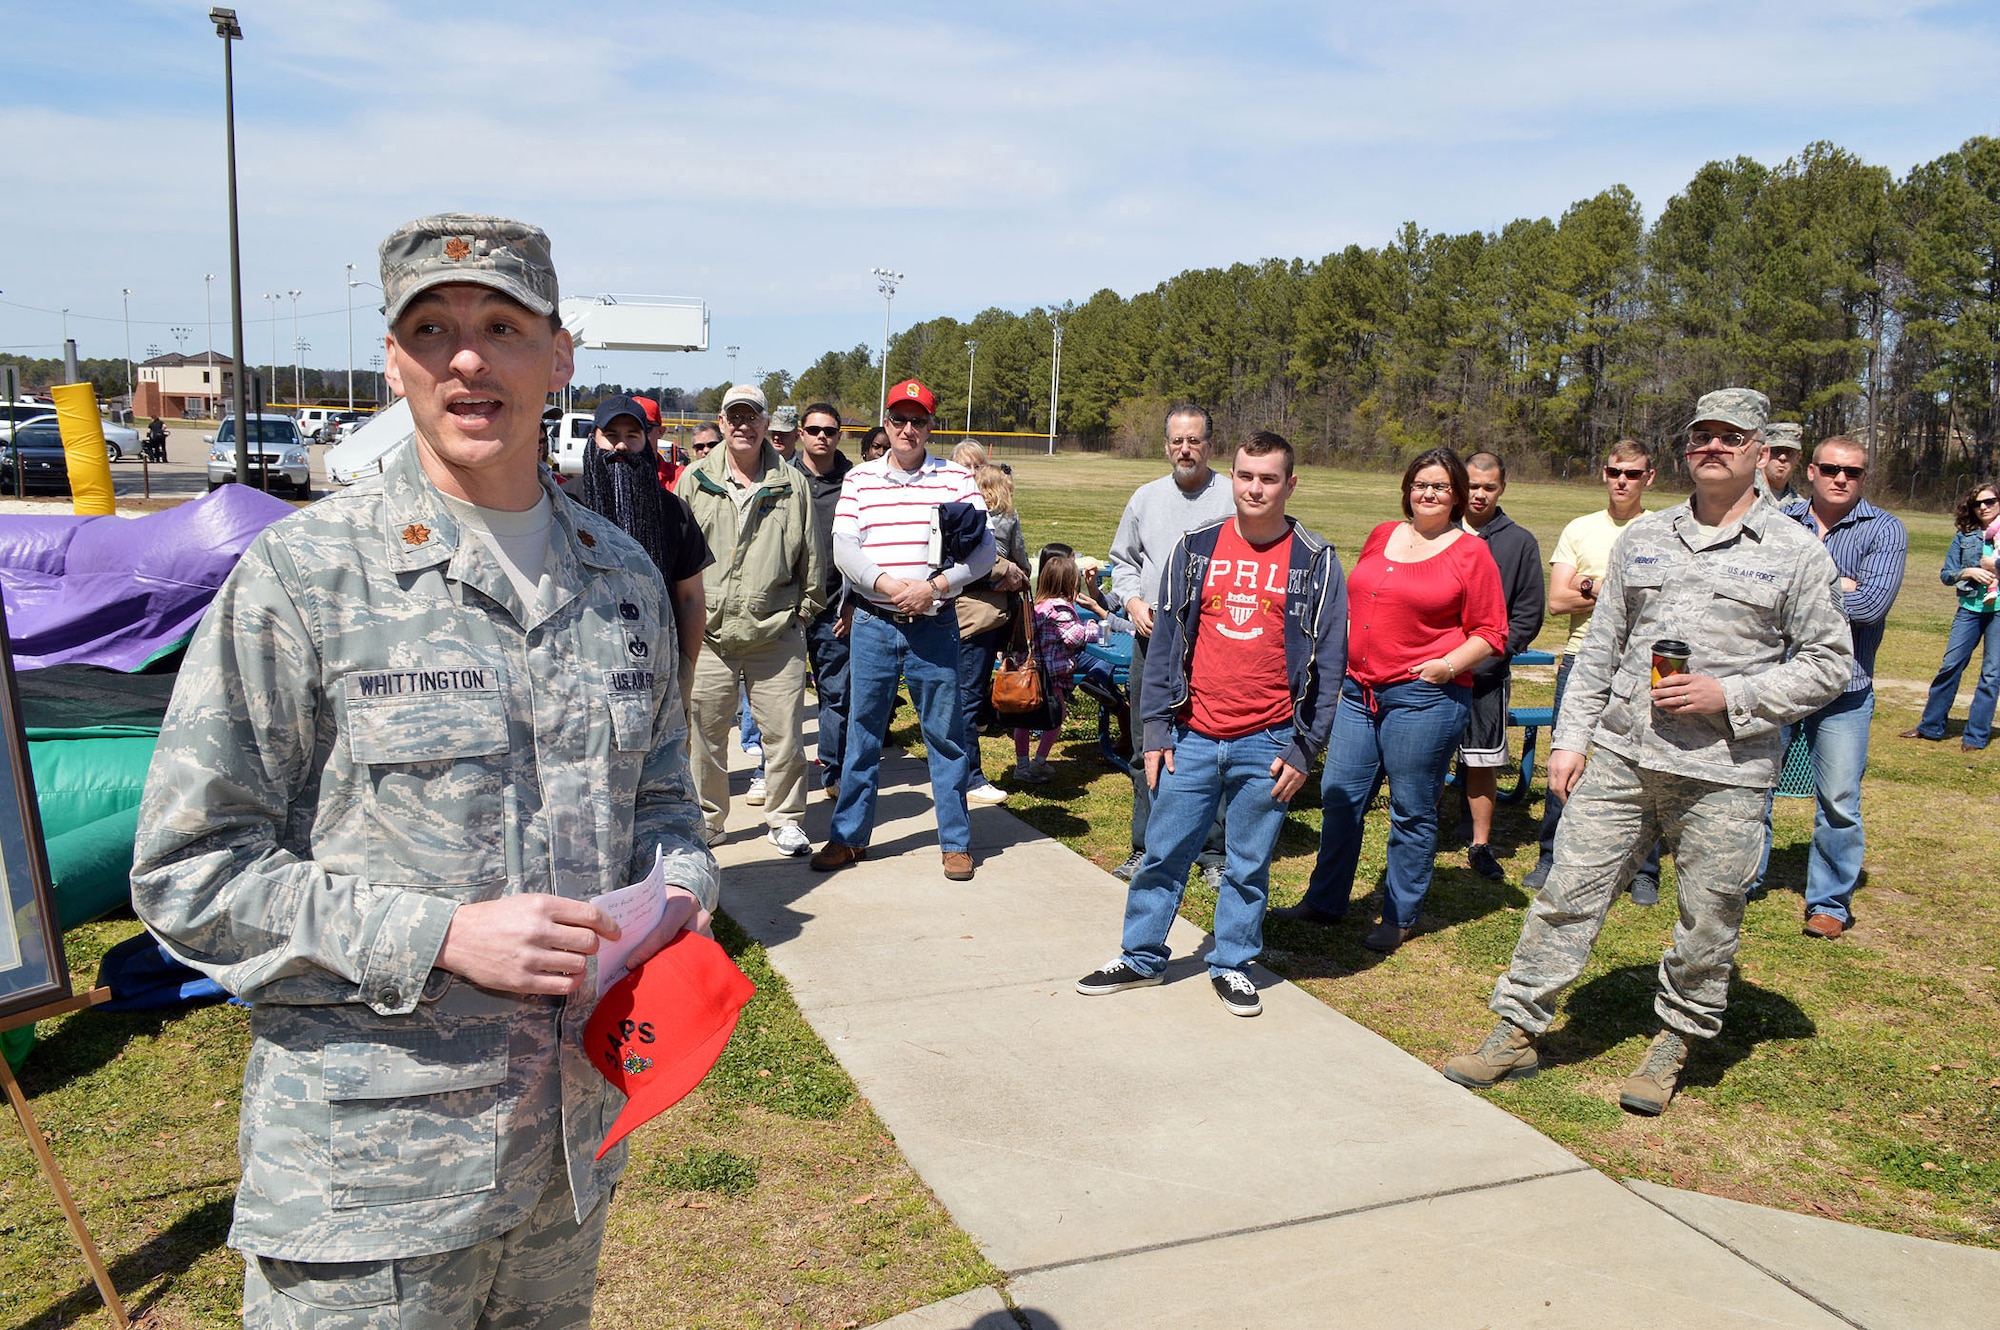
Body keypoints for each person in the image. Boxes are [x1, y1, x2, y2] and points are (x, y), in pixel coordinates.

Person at [130, 213, 718, 1328]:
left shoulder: (625, 581)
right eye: (431, 327)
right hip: (370, 1198)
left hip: (565, 1168)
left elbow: (665, 808)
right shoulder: (303, 578)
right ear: (393, 361)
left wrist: (681, 891)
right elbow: (188, 871)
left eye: (502, 325)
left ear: (559, 358)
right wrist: (440, 936)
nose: (467, 356)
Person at [1444, 387, 1851, 1116]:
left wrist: (1732, 696)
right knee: (1567, 893)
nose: (1713, 447)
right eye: (1702, 436)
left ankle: (1673, 1043)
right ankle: (1516, 1028)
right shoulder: (1646, 538)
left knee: (1707, 918)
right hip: (1625, 757)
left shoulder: (1795, 552)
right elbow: (1601, 648)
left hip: (1725, 774)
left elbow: (1827, 664)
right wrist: (1572, 738)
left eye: (1731, 436)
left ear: (1762, 450)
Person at [1075, 432, 1347, 1017]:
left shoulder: (1316, 561)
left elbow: (1330, 663)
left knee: (1246, 865)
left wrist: (1305, 750)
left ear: (1290, 484)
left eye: (1269, 478)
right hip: (1193, 734)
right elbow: (1166, 644)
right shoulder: (1196, 549)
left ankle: (1232, 962)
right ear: (1234, 476)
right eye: (1247, 476)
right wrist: (1154, 732)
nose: (1255, 488)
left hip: (1270, 740)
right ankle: (1141, 956)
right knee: (1163, 854)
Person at [1271, 448, 1507, 953]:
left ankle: (1400, 914)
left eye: (1441, 487)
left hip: (1424, 697)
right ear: (1407, 488)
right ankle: (1325, 900)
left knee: (1411, 809)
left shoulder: (1471, 552)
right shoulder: (1382, 534)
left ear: (1457, 496)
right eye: (1421, 484)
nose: (1429, 494)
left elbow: (1491, 631)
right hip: (1359, 690)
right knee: (1339, 797)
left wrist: (1446, 666)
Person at [812, 379, 993, 881]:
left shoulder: (956, 479)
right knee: (862, 735)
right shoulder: (861, 480)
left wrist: (934, 588)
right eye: (898, 419)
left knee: (946, 736)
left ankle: (955, 842)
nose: (908, 429)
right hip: (874, 621)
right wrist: (889, 584)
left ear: (931, 426)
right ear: (886, 423)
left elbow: (983, 553)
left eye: (918, 420)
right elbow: (843, 547)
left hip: (933, 625)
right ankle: (849, 838)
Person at [678, 383, 826, 855]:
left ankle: (785, 819)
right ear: (722, 423)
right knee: (703, 735)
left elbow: (814, 562)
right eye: (733, 417)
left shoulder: (792, 484)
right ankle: (708, 819)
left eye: (752, 417)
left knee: (784, 735)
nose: (742, 425)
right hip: (709, 635)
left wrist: (800, 615)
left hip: (775, 634)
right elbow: (674, 556)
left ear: (767, 424)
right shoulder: (694, 479)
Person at [1774, 438, 1906, 939]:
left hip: (1846, 688)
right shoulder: (1781, 521)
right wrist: (1839, 585)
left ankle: (1828, 902)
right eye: (1830, 468)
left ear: (1864, 478)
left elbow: (1871, 606)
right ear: (1811, 471)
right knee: (1754, 786)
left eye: (1852, 472)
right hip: (1777, 681)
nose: (1840, 478)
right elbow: (1761, 598)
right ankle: (1742, 882)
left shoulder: (1886, 529)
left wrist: (1804, 592)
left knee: (1839, 800)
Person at [1524, 440, 1660, 901]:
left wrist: (1590, 583)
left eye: (1633, 473)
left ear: (1649, 478)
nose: (1622, 480)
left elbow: (1662, 604)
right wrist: (1612, 588)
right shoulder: (1579, 529)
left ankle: (1644, 868)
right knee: (1567, 756)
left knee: (1646, 763)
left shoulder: (1660, 531)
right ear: (1604, 474)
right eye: (1614, 471)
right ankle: (1551, 854)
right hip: (1583, 658)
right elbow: (1557, 602)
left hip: (1643, 665)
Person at [1107, 405, 1236, 883]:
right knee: (1147, 744)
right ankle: (1147, 845)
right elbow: (1122, 561)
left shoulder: (1232, 497)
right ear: (1166, 446)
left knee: (1213, 745)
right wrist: (1133, 600)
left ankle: (1213, 851)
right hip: (1155, 638)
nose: (1186, 449)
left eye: (1195, 440)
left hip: (1214, 641)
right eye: (1178, 441)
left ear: (1210, 444)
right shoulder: (1145, 498)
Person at [572, 393, 711, 690]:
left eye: (632, 435)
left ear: (646, 442)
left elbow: (691, 598)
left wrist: (685, 667)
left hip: (657, 672)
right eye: (610, 435)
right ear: (593, 439)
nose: (621, 445)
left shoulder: (675, 512)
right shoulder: (566, 506)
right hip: (583, 677)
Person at [1457, 451, 1545, 881]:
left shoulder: (1519, 542)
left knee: (1481, 761)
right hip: (1431, 671)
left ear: (1502, 488)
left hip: (1486, 675)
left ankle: (1480, 843)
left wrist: (1492, 653)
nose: (1479, 494)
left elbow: (1528, 614)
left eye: (1488, 487)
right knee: (1423, 759)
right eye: (1472, 485)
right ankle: (1422, 830)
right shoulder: (1438, 530)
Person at [1902, 482, 2000, 752]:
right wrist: (1967, 572)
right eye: (1978, 503)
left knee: (1991, 675)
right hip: (1970, 609)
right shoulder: (1965, 537)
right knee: (1950, 666)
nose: (1984, 507)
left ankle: (1976, 736)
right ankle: (1930, 726)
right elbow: (1947, 574)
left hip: (1999, 612)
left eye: (1990, 501)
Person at [792, 402, 854, 802]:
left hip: (836, 607)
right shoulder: (782, 478)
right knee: (779, 703)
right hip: (789, 609)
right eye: (814, 429)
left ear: (838, 435)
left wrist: (852, 602)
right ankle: (771, 774)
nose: (821, 437)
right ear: (801, 432)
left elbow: (865, 547)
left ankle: (833, 772)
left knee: (838, 696)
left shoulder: (855, 481)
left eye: (829, 431)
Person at [961, 462, 1030, 805]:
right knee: (968, 698)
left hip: (968, 617)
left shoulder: (966, 512)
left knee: (962, 694)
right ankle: (969, 775)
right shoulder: (1001, 518)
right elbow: (1021, 563)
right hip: (980, 619)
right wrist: (1009, 571)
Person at [1012, 550, 1100, 783]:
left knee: (1024, 721)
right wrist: (1093, 628)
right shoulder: (1060, 608)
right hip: (1051, 674)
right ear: (1070, 583)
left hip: (1030, 673)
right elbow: (1074, 637)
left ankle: (1021, 765)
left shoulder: (1037, 605)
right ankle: (1039, 762)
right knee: (1055, 717)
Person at [1755, 422, 1804, 506]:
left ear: (1798, 458)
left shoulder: (1800, 507)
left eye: (1789, 452)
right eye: (1776, 450)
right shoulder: (1742, 492)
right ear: (1763, 453)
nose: (1782, 457)